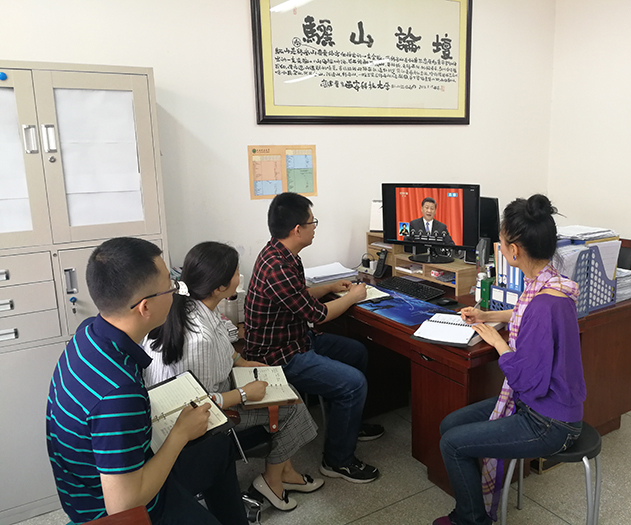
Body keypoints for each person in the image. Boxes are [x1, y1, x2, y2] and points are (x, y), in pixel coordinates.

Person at [45, 237, 247, 525]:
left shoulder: (89, 332)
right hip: (119, 514)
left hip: (116, 474)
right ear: (145, 307)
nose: (176, 292)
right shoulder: (118, 394)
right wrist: (179, 434)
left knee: (218, 448)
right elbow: (123, 506)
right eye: (171, 286)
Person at [433, 195, 586, 525]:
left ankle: (471, 519)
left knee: (452, 444)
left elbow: (526, 379)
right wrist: (486, 315)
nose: (500, 250)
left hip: (548, 421)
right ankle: (473, 507)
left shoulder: (546, 304)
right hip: (539, 404)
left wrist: (496, 340)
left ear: (514, 250)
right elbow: (522, 312)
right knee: (450, 426)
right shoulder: (549, 283)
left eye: (501, 244)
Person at [143, 241, 321, 512]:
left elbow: (225, 346)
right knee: (293, 406)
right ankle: (272, 481)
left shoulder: (195, 306)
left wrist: (243, 361)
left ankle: (285, 472)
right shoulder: (198, 339)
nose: (241, 276)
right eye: (237, 272)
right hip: (193, 420)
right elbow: (201, 406)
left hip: (205, 398)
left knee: (286, 391)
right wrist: (245, 393)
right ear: (219, 287)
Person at [244, 192, 384, 484]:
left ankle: (348, 424)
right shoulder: (277, 266)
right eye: (312, 222)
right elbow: (318, 315)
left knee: (357, 352)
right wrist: (354, 295)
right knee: (354, 383)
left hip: (296, 339)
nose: (315, 227)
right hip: (278, 356)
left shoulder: (282, 253)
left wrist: (330, 287)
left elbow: (298, 297)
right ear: (298, 229)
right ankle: (338, 461)